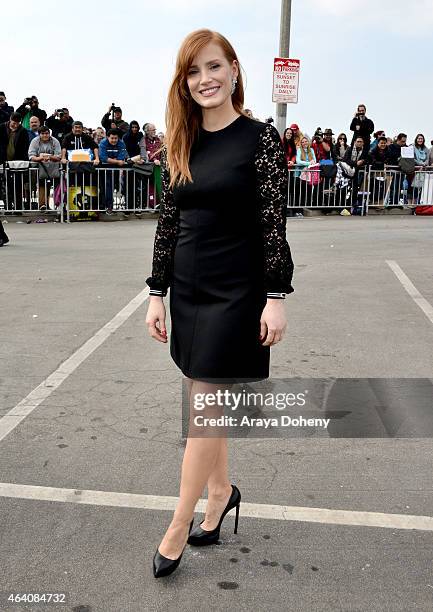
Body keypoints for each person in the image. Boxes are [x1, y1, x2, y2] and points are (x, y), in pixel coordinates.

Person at [145, 28, 294, 579]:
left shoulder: (261, 139)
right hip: (188, 288)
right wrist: (156, 292)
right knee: (200, 399)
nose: (204, 80)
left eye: (213, 67)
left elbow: (272, 226)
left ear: (233, 69)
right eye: (192, 72)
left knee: (204, 406)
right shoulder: (180, 139)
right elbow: (168, 222)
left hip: (237, 292)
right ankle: (221, 492)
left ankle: (178, 524)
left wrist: (275, 296)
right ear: (184, 83)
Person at [0, 113, 30, 211]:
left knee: (18, 186)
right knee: (5, 187)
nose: (15, 125)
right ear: (10, 120)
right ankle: (8, 208)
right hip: (3, 161)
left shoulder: (23, 131)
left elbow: (25, 148)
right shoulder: (1, 128)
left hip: (17, 163)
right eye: (13, 123)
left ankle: (18, 208)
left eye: (17, 123)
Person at [28, 126, 62, 210]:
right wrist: (41, 158)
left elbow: (59, 156)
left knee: (56, 186)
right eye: (42, 134)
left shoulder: (55, 141)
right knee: (42, 185)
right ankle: (42, 205)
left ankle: (58, 206)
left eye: (46, 133)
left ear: (49, 133)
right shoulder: (34, 141)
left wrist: (49, 157)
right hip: (40, 168)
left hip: (54, 168)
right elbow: (31, 156)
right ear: (39, 134)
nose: (45, 135)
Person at [98, 128, 128, 212]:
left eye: (116, 138)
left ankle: (110, 205)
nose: (114, 140)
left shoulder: (121, 143)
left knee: (114, 186)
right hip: (103, 169)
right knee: (105, 187)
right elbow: (103, 158)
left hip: (115, 169)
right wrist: (116, 161)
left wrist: (112, 160)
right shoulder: (103, 143)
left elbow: (121, 157)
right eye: (112, 138)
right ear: (107, 137)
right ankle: (107, 206)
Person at [140, 123, 161, 208]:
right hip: (148, 167)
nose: (154, 132)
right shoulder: (143, 140)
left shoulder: (158, 139)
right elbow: (146, 152)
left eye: (155, 130)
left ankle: (159, 203)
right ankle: (152, 204)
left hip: (158, 166)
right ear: (147, 131)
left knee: (158, 185)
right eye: (153, 130)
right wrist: (154, 159)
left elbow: (160, 149)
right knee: (149, 186)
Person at [343, 135, 369, 205]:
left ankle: (352, 204)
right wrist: (356, 163)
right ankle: (342, 204)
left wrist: (363, 161)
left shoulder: (365, 151)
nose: (359, 143)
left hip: (357, 173)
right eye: (358, 141)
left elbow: (368, 159)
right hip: (347, 172)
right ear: (355, 142)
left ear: (363, 143)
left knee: (355, 189)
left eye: (361, 142)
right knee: (344, 188)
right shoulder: (350, 149)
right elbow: (345, 159)